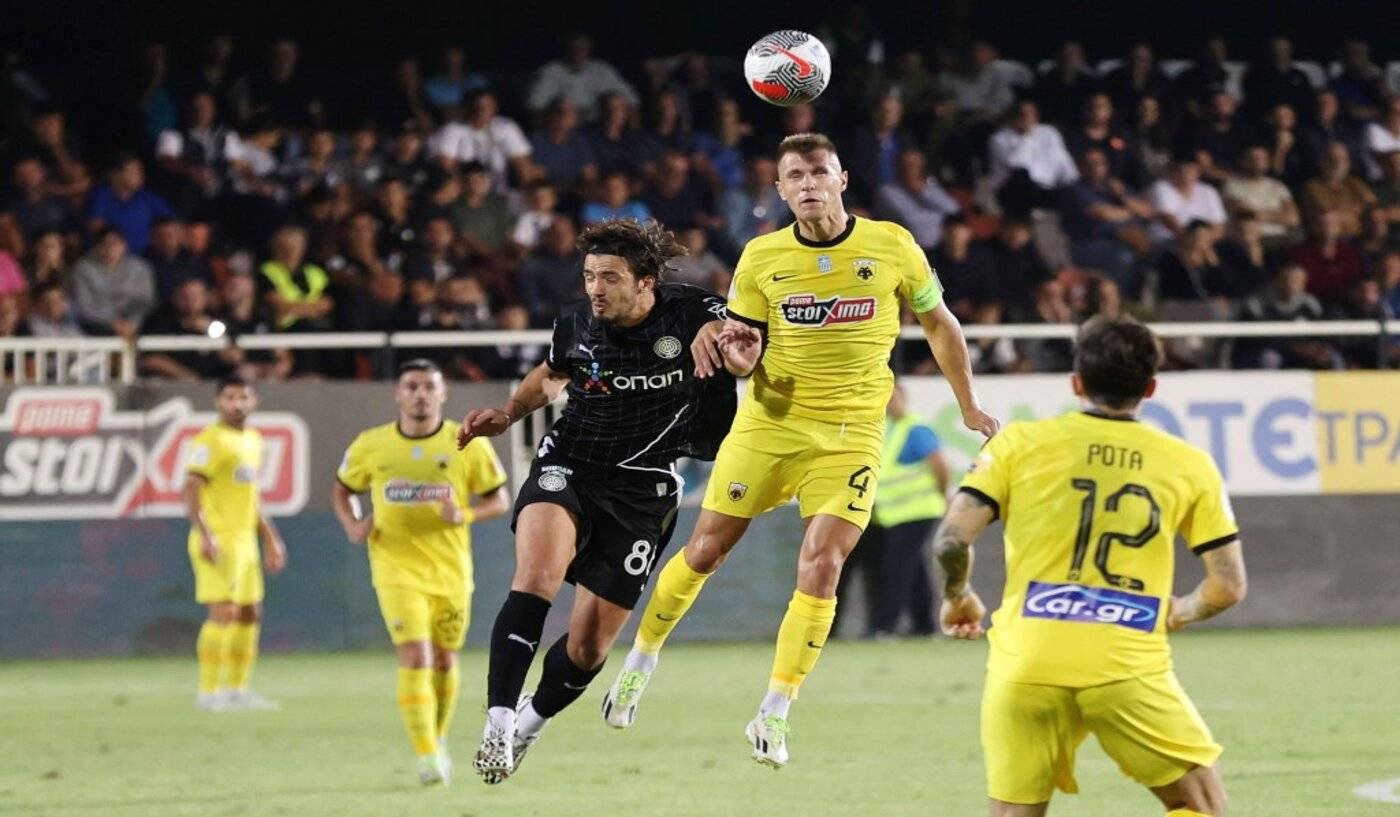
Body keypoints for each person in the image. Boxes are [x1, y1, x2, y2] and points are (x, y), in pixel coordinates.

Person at [603, 132, 999, 768]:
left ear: (841, 180)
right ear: (781, 190)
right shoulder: (761, 257)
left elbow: (939, 323)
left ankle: (774, 710)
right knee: (704, 552)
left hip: (850, 436)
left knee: (823, 563)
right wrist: (737, 358)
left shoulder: (892, 244)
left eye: (819, 172)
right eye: (795, 176)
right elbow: (744, 347)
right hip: (770, 428)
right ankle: (640, 663)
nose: (808, 184)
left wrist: (969, 406)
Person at [455, 218, 737, 784]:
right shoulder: (577, 323)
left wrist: (727, 337)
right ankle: (497, 719)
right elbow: (552, 374)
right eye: (589, 276)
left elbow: (748, 335)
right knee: (535, 578)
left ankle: (529, 722)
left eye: (610, 277)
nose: (596, 289)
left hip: (643, 489)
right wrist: (509, 413)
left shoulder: (693, 313)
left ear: (646, 282)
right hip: (571, 462)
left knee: (588, 648)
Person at [933, 315, 1247, 817]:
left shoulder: (1018, 444)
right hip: (1125, 664)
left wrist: (958, 596)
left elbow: (951, 541)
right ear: (1151, 388)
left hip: (1027, 662)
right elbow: (1228, 586)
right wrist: (1178, 611)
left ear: (1076, 383)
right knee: (1200, 803)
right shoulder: (1189, 464)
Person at [331, 359, 510, 786]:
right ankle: (427, 754)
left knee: (445, 660)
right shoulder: (371, 444)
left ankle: (438, 738)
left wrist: (463, 513)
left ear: (442, 394)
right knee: (416, 656)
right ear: (398, 394)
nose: (420, 394)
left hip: (450, 570)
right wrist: (352, 523)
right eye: (411, 386)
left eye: (429, 387)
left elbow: (499, 499)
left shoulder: (465, 442)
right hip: (394, 567)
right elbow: (343, 488)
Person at [184, 377, 288, 713]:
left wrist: (270, 538)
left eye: (243, 397)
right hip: (219, 538)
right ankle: (207, 693)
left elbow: (251, 497)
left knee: (249, 613)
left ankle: (236, 690)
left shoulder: (253, 440)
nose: (237, 404)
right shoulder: (210, 439)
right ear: (218, 401)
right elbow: (191, 487)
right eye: (229, 397)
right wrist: (205, 533)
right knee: (223, 612)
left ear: (254, 401)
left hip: (245, 541)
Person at [868, 382, 949, 638]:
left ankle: (885, 626)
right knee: (914, 569)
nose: (890, 403)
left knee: (896, 568)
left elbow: (940, 465)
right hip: (894, 514)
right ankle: (924, 625)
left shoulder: (915, 428)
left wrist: (942, 494)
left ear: (904, 399)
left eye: (894, 398)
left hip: (919, 511)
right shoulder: (886, 428)